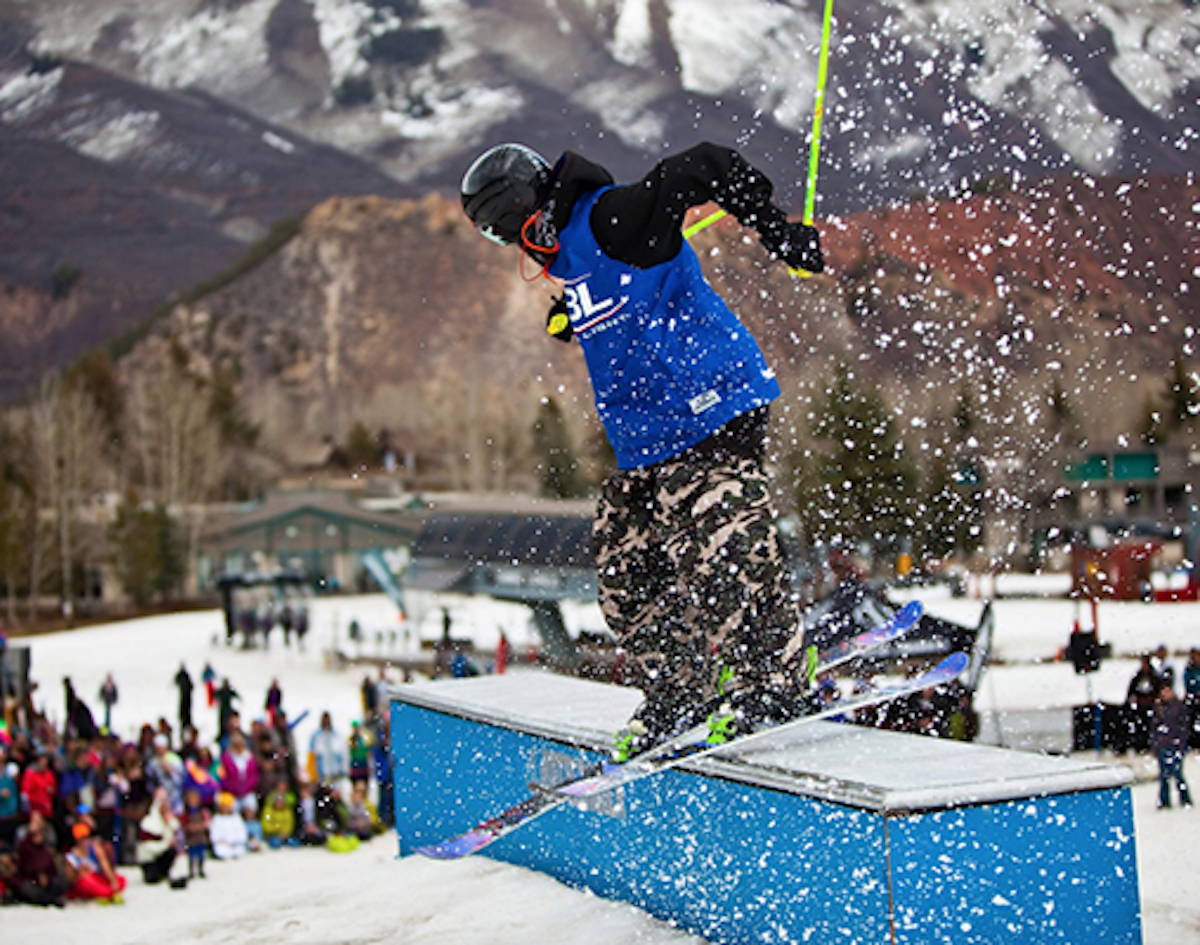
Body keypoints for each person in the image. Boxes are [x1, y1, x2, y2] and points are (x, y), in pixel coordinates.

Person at [460, 141, 822, 759]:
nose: (505, 244)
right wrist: (573, 313)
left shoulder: (612, 218)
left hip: (712, 409)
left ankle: (773, 682)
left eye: (499, 230)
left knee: (718, 544)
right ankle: (680, 690)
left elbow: (703, 165)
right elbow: (622, 292)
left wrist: (775, 229)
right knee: (626, 564)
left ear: (520, 206)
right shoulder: (570, 257)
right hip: (650, 441)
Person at [1152, 683, 1192, 809]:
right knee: (1164, 775)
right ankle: (1165, 801)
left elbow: (1184, 727)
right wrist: (1155, 744)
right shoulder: (1159, 708)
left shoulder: (1179, 707)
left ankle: (1184, 799)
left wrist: (1181, 743)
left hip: (1175, 744)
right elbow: (1154, 728)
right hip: (1163, 745)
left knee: (1177, 773)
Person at [64, 821, 126, 903]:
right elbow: (71, 879)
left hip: (97, 878)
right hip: (85, 882)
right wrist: (78, 871)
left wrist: (113, 881)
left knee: (121, 879)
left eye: (86, 838)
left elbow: (105, 866)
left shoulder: (95, 849)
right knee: (85, 882)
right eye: (82, 839)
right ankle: (108, 893)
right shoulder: (72, 856)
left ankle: (105, 893)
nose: (84, 841)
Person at [209, 792, 249, 860]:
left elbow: (242, 833)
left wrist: (234, 843)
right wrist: (225, 843)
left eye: (227, 806)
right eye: (223, 806)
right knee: (219, 850)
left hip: (235, 844)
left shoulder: (236, 818)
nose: (225, 808)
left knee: (239, 850)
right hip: (223, 844)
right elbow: (214, 836)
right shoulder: (216, 818)